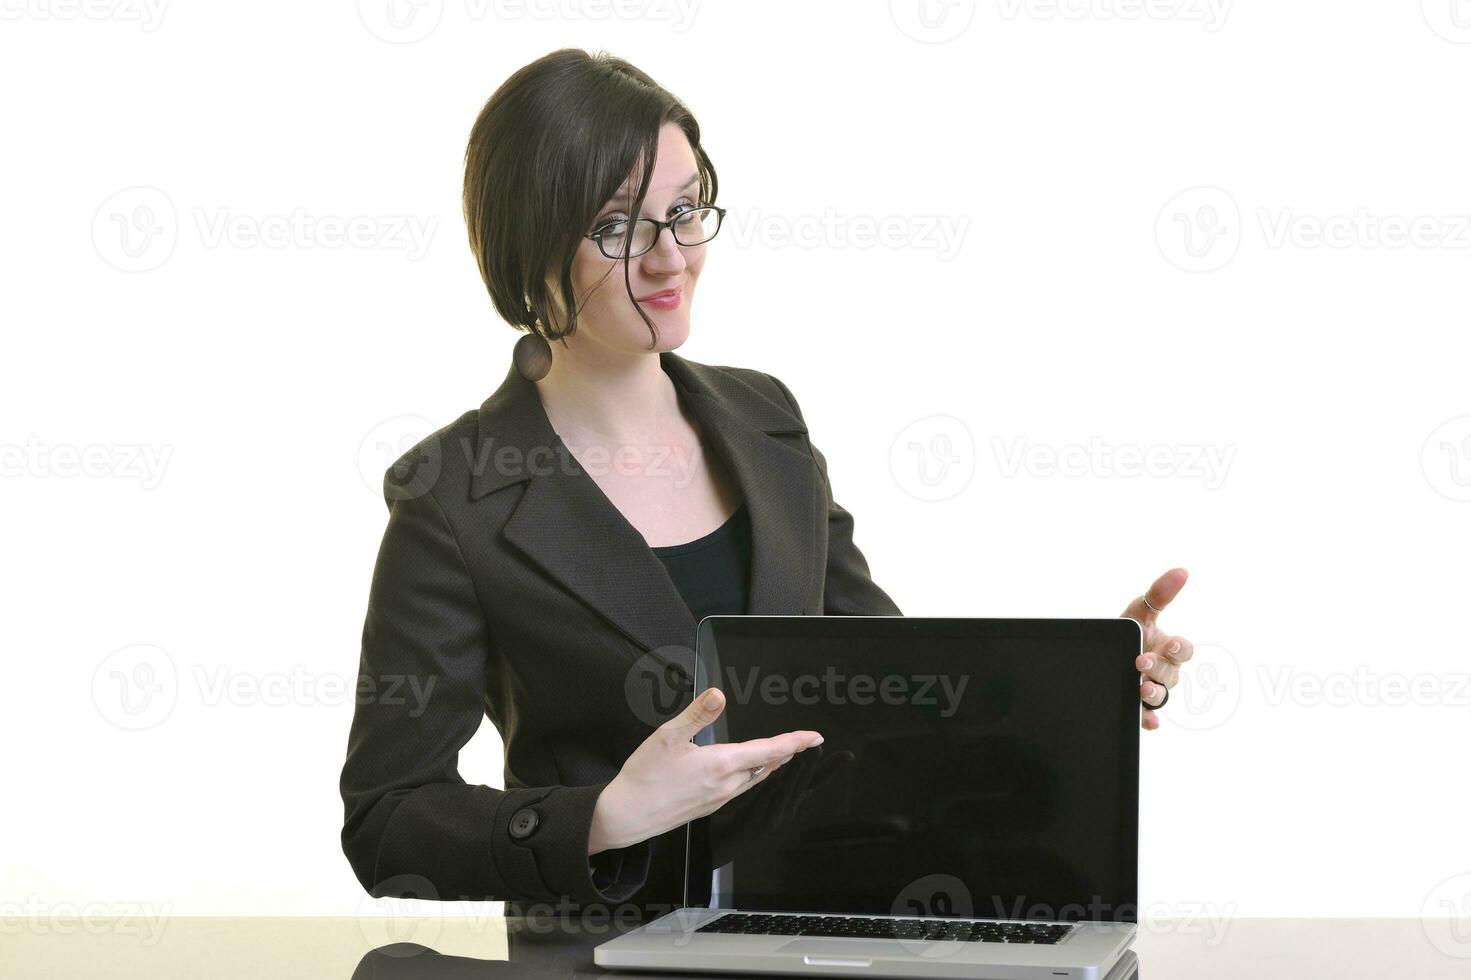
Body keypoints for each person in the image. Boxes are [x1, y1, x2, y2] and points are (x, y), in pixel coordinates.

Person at [338, 47, 1193, 919]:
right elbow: (387, 817)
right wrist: (603, 818)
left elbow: (902, 685)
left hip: (834, 925)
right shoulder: (452, 496)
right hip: (608, 959)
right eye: (617, 226)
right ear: (529, 243)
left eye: (683, 211)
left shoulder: (767, 422)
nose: (670, 258)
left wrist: (1081, 676)